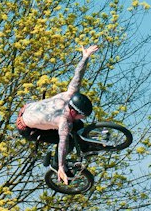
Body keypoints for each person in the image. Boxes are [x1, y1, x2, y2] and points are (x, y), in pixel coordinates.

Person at [16, 43, 98, 184]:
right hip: (28, 129)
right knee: (70, 140)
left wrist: (85, 57)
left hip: (27, 110)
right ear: (72, 111)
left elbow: (78, 75)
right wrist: (61, 165)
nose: (82, 118)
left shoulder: (70, 94)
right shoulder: (63, 121)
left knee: (78, 125)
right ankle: (56, 166)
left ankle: (84, 146)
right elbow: (62, 143)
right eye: (81, 115)